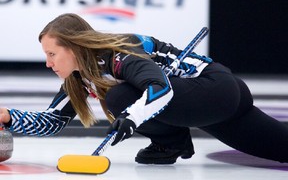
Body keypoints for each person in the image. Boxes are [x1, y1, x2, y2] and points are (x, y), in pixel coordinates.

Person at [0, 13, 288, 165]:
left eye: (52, 54)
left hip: (214, 90)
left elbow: (159, 86)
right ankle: (173, 141)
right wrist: (7, 116)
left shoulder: (119, 51)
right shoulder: (79, 76)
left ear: (74, 47)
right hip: (215, 111)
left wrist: (132, 117)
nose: (48, 63)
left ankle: (171, 143)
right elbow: (51, 123)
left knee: (120, 97)